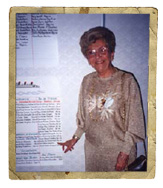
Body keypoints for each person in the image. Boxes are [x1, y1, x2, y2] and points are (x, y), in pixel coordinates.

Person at [58, 26, 145, 171]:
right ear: (88, 59)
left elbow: (135, 122)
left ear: (112, 54)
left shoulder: (127, 80)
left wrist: (124, 154)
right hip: (93, 152)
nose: (97, 56)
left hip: (119, 152)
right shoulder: (87, 81)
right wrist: (74, 139)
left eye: (102, 50)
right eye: (91, 53)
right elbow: (84, 118)